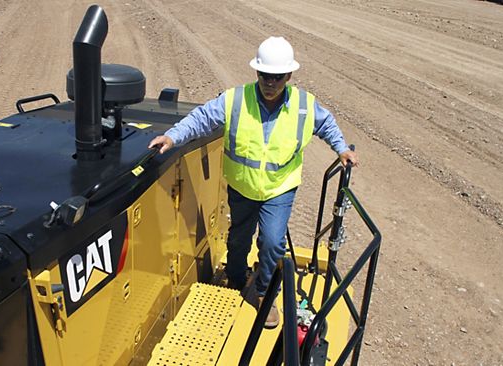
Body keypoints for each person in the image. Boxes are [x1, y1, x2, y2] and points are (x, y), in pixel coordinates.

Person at [148, 36, 359, 328]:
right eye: (264, 75)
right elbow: (201, 119)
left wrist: (342, 149)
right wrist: (172, 136)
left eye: (277, 77)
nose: (269, 82)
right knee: (238, 239)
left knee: (272, 241)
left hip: (279, 188)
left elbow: (326, 124)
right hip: (242, 187)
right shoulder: (236, 99)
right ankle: (236, 281)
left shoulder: (303, 106)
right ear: (256, 72)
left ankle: (262, 293)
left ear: (289, 76)